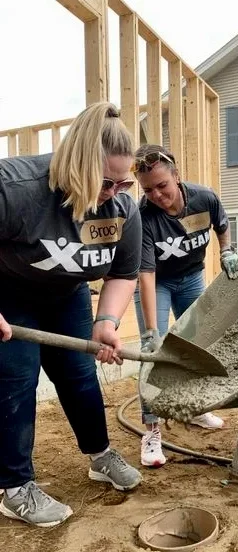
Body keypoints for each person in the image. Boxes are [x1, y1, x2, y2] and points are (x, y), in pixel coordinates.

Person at [0, 102, 144, 527]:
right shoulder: (15, 189)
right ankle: (14, 488)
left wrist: (107, 321)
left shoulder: (122, 209)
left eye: (124, 182)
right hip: (9, 292)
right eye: (105, 181)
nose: (114, 192)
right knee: (17, 379)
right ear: (75, 163)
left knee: (80, 375)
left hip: (67, 294)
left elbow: (123, 272)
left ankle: (100, 455)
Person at [133, 144, 238, 468]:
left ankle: (195, 408)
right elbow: (146, 276)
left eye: (162, 185)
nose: (157, 195)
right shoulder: (144, 217)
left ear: (176, 176)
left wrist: (227, 251)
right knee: (153, 355)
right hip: (160, 283)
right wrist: (152, 330)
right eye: (148, 189)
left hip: (192, 277)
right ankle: (152, 431)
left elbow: (222, 225)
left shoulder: (203, 198)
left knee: (198, 343)